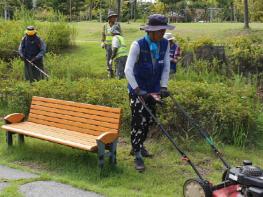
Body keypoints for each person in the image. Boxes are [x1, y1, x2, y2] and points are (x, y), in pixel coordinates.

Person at [124, 14, 174, 172]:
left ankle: (139, 145)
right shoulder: (137, 45)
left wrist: (164, 87)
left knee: (149, 120)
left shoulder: (165, 44)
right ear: (151, 31)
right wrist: (139, 91)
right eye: (160, 30)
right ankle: (137, 153)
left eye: (163, 30)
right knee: (138, 121)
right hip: (137, 89)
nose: (162, 33)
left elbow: (166, 66)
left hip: (153, 90)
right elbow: (127, 70)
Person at [101, 10, 122, 78]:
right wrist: (102, 42)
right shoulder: (105, 25)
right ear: (109, 18)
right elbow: (103, 34)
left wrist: (120, 42)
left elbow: (120, 34)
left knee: (116, 58)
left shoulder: (117, 24)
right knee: (108, 59)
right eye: (113, 17)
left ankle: (117, 71)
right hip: (108, 45)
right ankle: (110, 71)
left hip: (116, 45)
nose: (115, 18)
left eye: (115, 17)